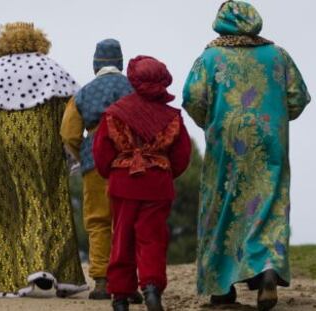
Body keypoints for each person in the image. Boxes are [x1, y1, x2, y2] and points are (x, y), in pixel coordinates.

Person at [182, 1, 311, 310]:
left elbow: (193, 98)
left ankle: (223, 290)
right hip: (270, 142)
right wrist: (275, 116)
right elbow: (298, 97)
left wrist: (210, 123)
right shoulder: (278, 56)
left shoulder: (210, 57)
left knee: (223, 207)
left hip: (226, 143)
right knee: (268, 205)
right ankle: (267, 271)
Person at [0, 22, 87, 298]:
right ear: (39, 41)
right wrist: (72, 151)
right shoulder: (52, 70)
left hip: (1, 150)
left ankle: (5, 275)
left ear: (2, 43)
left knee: (3, 211)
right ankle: (42, 267)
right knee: (43, 203)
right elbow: (68, 114)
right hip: (43, 147)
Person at [93, 55, 192, 311]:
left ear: (134, 79)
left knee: (122, 236)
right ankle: (151, 288)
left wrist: (113, 173)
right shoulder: (172, 117)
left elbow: (102, 153)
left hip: (123, 183)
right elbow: (182, 156)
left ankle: (120, 296)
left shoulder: (115, 113)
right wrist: (164, 172)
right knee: (152, 239)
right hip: (157, 184)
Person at [60, 38, 136, 300]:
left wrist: (84, 151)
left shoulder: (83, 93)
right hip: (130, 163)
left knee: (97, 221)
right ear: (120, 62)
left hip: (95, 162)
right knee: (127, 221)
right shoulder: (133, 88)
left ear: (95, 64)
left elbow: (69, 132)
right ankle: (128, 282)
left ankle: (102, 281)